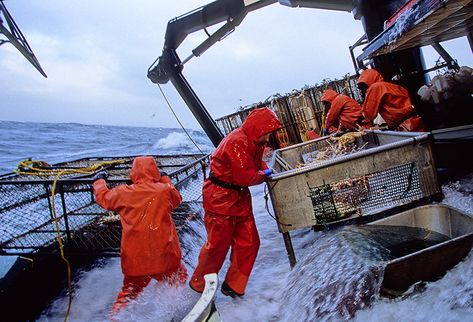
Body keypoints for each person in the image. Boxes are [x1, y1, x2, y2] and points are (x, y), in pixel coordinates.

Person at [189, 107, 281, 298]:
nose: (268, 138)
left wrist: (264, 170)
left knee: (250, 242)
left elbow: (257, 164)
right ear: (258, 129)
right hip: (220, 198)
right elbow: (245, 178)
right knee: (218, 244)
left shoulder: (256, 140)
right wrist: (264, 175)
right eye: (268, 133)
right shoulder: (237, 142)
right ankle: (199, 284)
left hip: (239, 198)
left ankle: (233, 285)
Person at [93, 156, 187, 316]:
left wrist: (99, 180)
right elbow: (177, 198)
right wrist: (164, 177)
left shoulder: (123, 192)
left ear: (133, 173)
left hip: (135, 259)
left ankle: (117, 318)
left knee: (129, 294)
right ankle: (174, 311)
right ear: (154, 171)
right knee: (178, 279)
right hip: (164, 256)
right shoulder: (163, 190)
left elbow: (103, 198)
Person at [357, 68, 425, 132]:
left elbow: (369, 114)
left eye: (364, 86)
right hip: (414, 121)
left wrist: (364, 125)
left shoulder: (375, 87)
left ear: (367, 81)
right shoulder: (390, 86)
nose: (365, 90)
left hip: (405, 126)